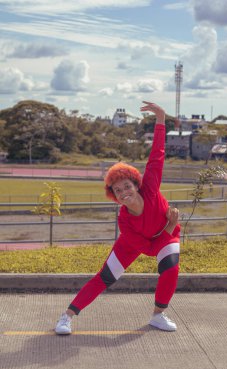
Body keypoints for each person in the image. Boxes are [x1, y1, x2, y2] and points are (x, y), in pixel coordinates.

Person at [55, 101, 180, 334]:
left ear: (136, 184)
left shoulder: (150, 187)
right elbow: (150, 250)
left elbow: (157, 156)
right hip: (142, 241)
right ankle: (66, 316)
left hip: (167, 233)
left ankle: (158, 315)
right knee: (105, 277)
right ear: (114, 196)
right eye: (118, 191)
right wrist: (171, 224)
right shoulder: (124, 220)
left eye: (126, 186)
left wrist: (161, 118)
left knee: (171, 268)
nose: (123, 193)